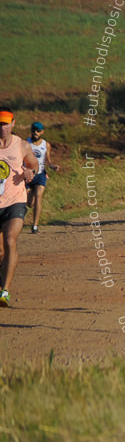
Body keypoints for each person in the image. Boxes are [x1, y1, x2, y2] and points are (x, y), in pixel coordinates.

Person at [0, 108, 40, 307]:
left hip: (15, 200)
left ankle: (4, 291)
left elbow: (33, 164)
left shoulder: (21, 145)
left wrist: (30, 173)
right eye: (0, 124)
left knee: (9, 240)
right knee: (0, 251)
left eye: (6, 123)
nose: (3, 127)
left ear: (13, 123)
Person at [26, 122, 60, 235]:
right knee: (29, 203)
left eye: (38, 131)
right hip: (28, 175)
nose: (35, 133)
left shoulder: (46, 145)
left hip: (40, 174)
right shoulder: (26, 143)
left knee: (39, 197)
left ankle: (35, 226)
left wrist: (52, 166)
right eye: (34, 130)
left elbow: (47, 160)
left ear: (42, 132)